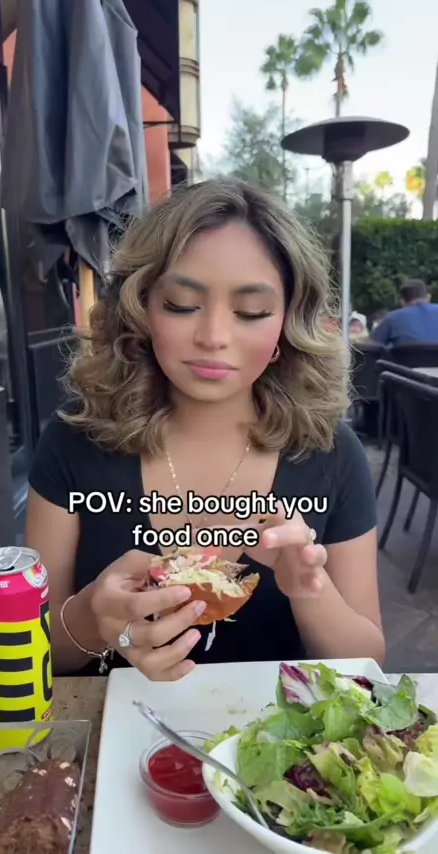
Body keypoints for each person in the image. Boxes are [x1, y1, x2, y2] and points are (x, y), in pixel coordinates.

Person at [26, 179, 384, 682]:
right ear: (142, 309)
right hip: (109, 727)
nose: (214, 337)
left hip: (271, 730)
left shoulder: (330, 452)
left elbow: (370, 665)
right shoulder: (74, 440)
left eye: (252, 312)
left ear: (287, 325)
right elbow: (34, 659)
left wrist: (310, 589)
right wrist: (91, 618)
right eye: (181, 304)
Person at [370, 279, 438, 346]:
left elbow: (371, 346)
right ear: (428, 297)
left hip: (407, 353)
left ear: (402, 302)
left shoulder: (392, 318)